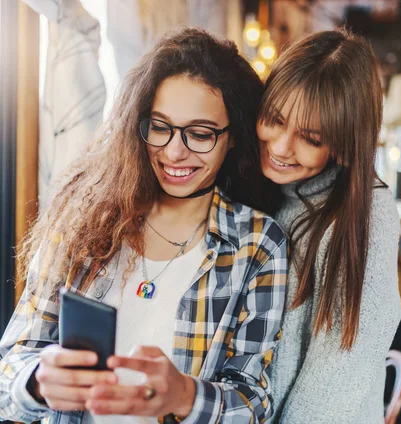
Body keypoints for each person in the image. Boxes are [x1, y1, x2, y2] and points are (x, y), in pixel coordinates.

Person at [0, 28, 287, 424]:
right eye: (160, 126)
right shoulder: (83, 215)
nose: (173, 151)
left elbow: (255, 405)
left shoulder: (257, 244)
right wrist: (36, 380)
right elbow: (8, 369)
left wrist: (185, 395)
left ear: (233, 137)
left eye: (200, 134)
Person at [257, 28, 401, 423]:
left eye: (309, 137)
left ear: (343, 142)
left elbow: (338, 372)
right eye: (274, 119)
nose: (281, 146)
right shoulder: (276, 191)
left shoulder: (366, 214)